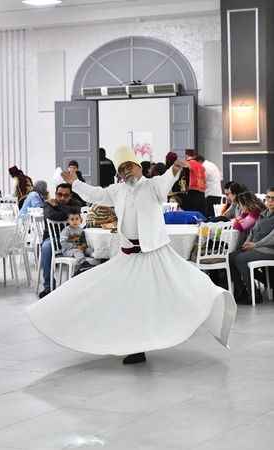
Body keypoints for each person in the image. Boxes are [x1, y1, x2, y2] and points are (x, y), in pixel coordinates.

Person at [28, 145, 236, 365]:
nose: (127, 171)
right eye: (122, 168)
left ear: (138, 167)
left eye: (130, 166)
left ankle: (210, 306)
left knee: (188, 285)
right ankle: (136, 347)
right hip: (128, 257)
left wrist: (175, 168)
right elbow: (96, 194)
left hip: (154, 255)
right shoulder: (117, 190)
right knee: (123, 299)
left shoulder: (153, 186)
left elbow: (166, 180)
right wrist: (75, 183)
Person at [229, 188, 274, 304]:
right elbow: (253, 231)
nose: (270, 201)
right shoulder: (264, 214)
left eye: (273, 198)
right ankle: (241, 291)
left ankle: (254, 294)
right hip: (256, 247)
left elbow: (272, 237)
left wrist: (255, 245)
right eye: (268, 198)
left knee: (239, 259)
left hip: (268, 250)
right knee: (230, 257)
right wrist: (247, 242)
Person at [37, 183, 82, 299]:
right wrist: (67, 213)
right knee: (46, 248)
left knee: (87, 246)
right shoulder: (48, 204)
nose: (62, 198)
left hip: (71, 239)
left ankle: (79, 284)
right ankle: (48, 286)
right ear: (55, 193)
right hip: (53, 239)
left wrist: (58, 206)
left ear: (71, 196)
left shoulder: (75, 203)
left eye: (65, 195)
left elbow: (75, 213)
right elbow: (52, 216)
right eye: (59, 194)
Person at [183, 150, 207, 215]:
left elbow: (184, 165)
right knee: (202, 215)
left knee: (191, 214)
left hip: (193, 192)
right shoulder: (202, 167)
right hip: (202, 194)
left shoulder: (191, 162)